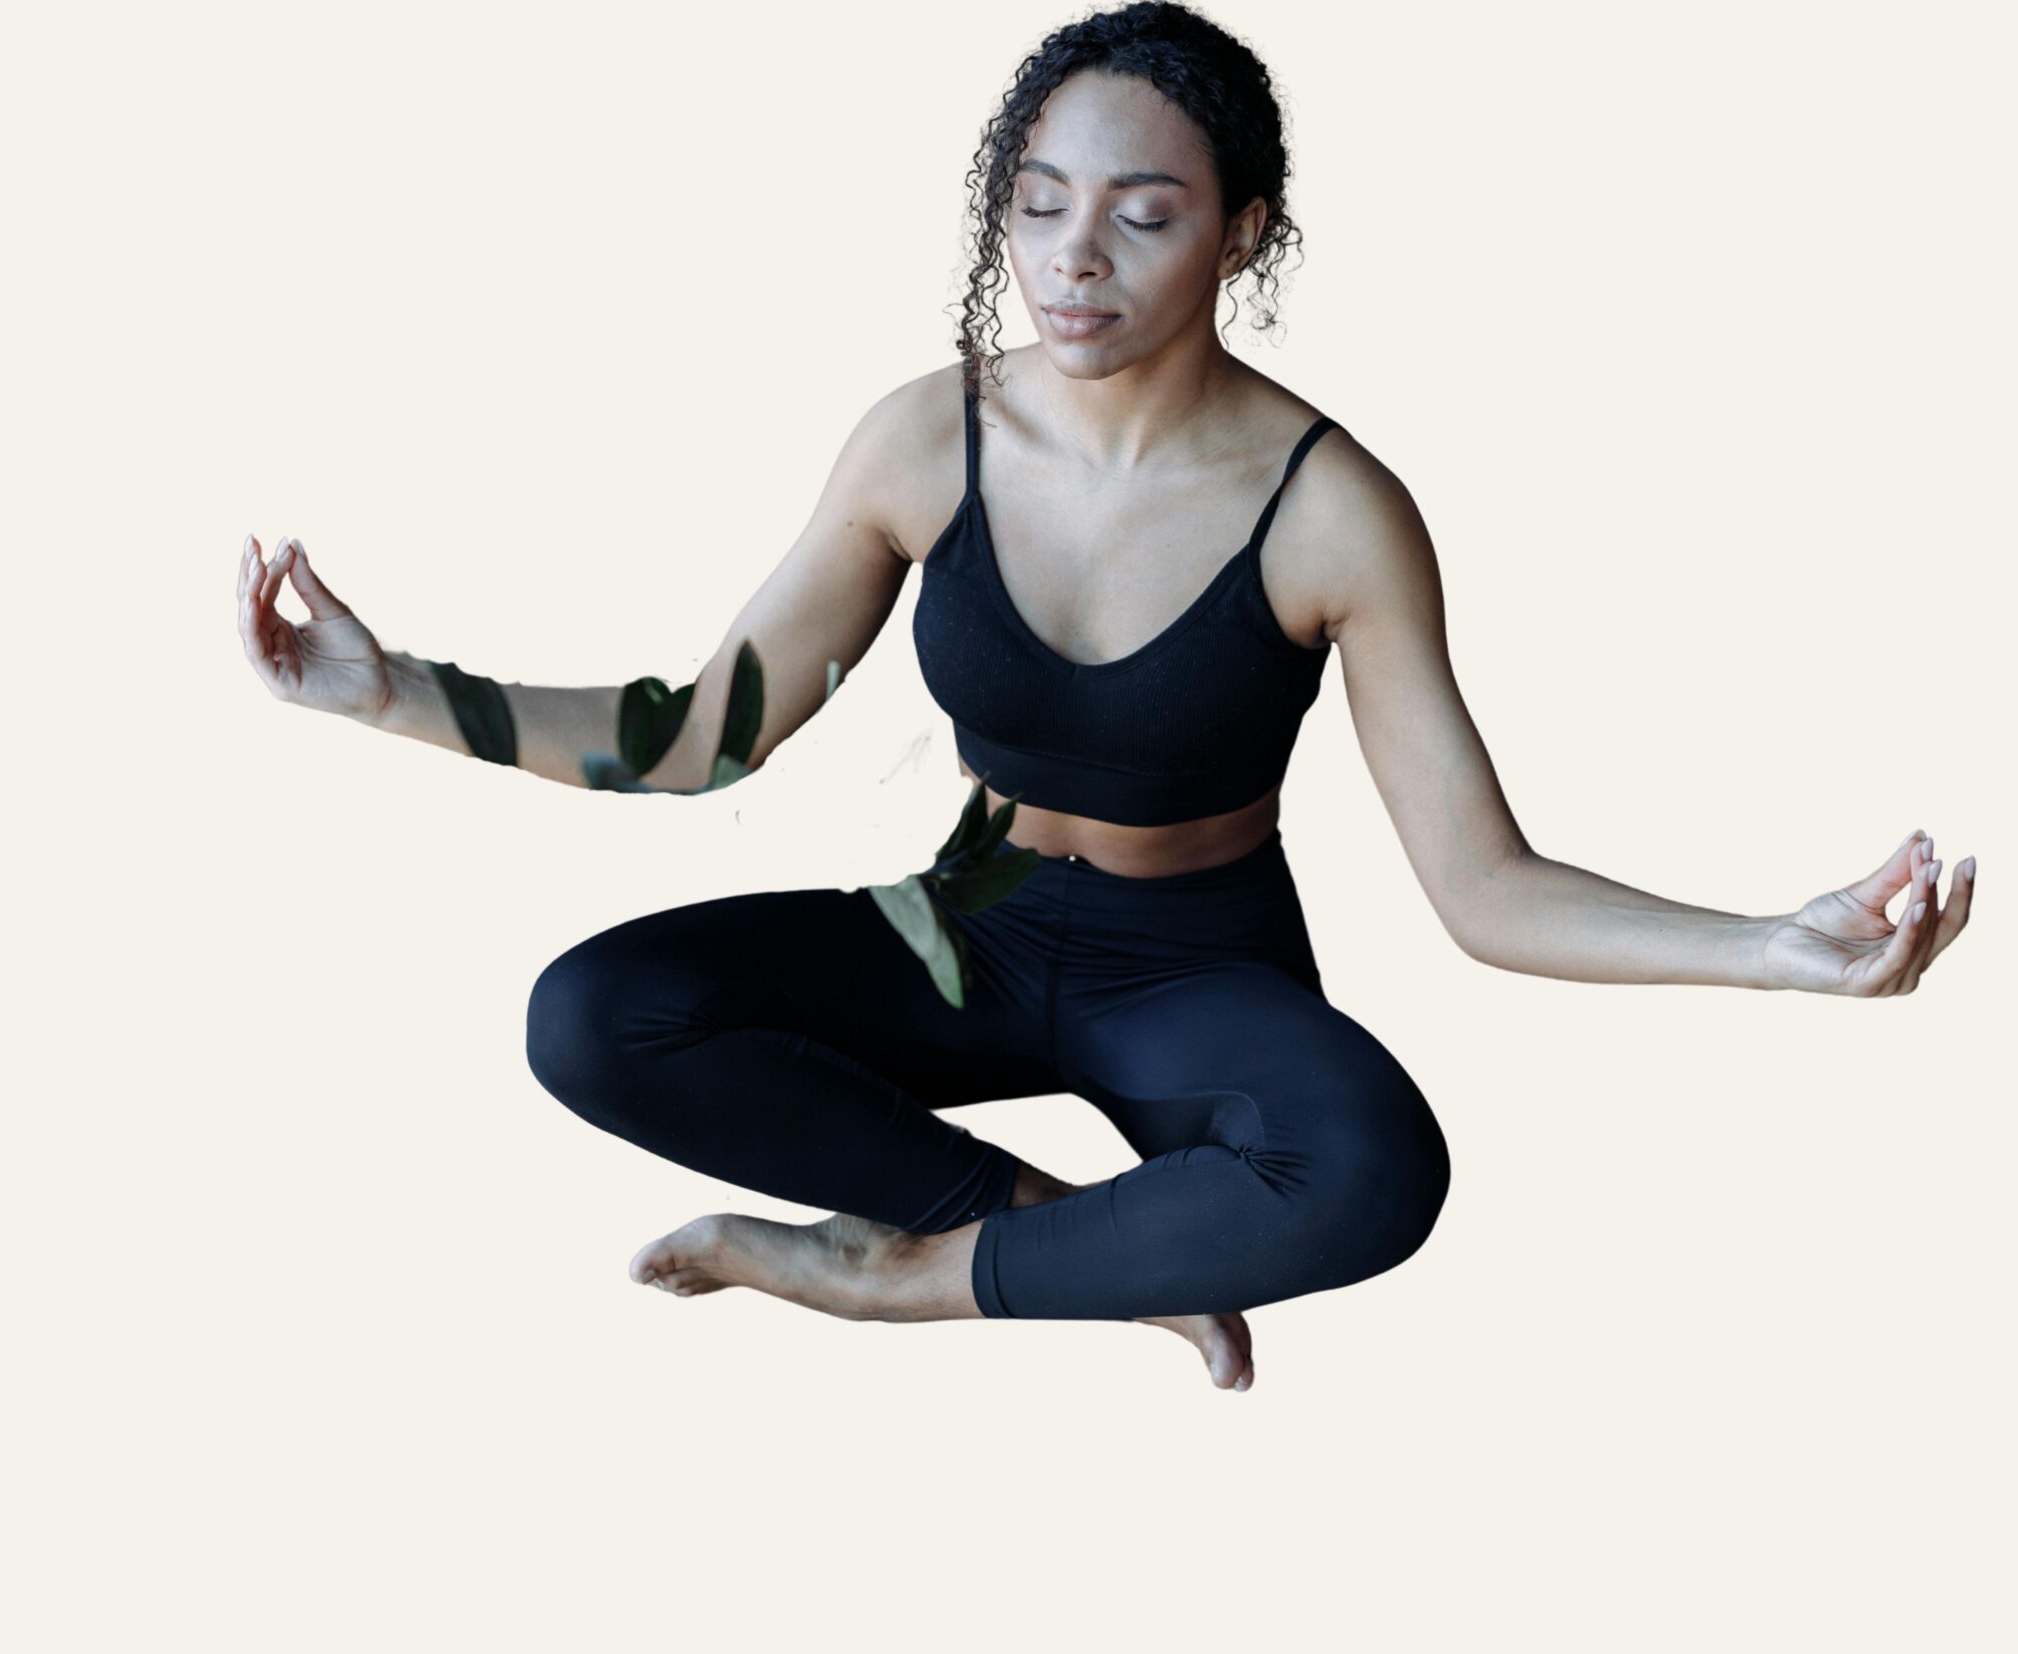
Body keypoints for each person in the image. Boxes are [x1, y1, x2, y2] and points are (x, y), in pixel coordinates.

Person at [234, 2, 1976, 1391]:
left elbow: (1484, 888)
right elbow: (703, 737)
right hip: (969, 929)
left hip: (1196, 970)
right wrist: (391, 692)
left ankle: (904, 1275)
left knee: (1375, 1169)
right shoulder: (925, 437)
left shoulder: (1334, 512)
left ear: (1240, 232)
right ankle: (1073, 1242)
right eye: (1040, 205)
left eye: (1143, 216)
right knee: (593, 1014)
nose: (1076, 258)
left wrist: (1772, 947)